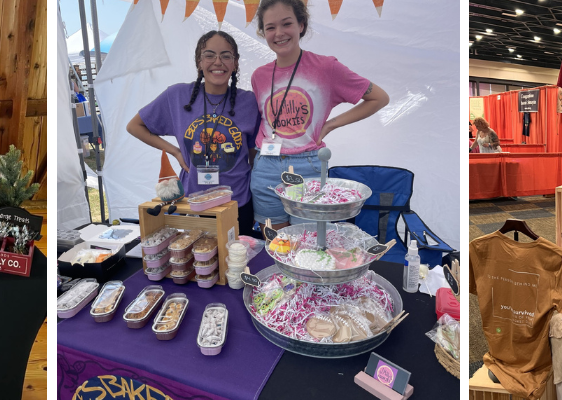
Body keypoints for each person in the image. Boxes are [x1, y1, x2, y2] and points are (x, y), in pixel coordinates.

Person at [250, 0, 390, 229]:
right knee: (277, 245)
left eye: (287, 24)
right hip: (266, 166)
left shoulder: (326, 68)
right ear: (263, 32)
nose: (279, 33)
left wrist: (330, 125)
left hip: (307, 167)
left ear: (301, 25)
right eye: (270, 27)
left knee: (307, 245)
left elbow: (379, 98)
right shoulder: (259, 76)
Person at [127, 31, 261, 237]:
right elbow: (135, 126)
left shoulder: (249, 102)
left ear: (235, 63)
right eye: (209, 55)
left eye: (226, 56)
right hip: (195, 203)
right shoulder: (178, 96)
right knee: (200, 262)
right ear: (199, 62)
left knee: (235, 262)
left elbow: (252, 155)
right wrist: (175, 152)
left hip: (238, 202)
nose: (218, 62)